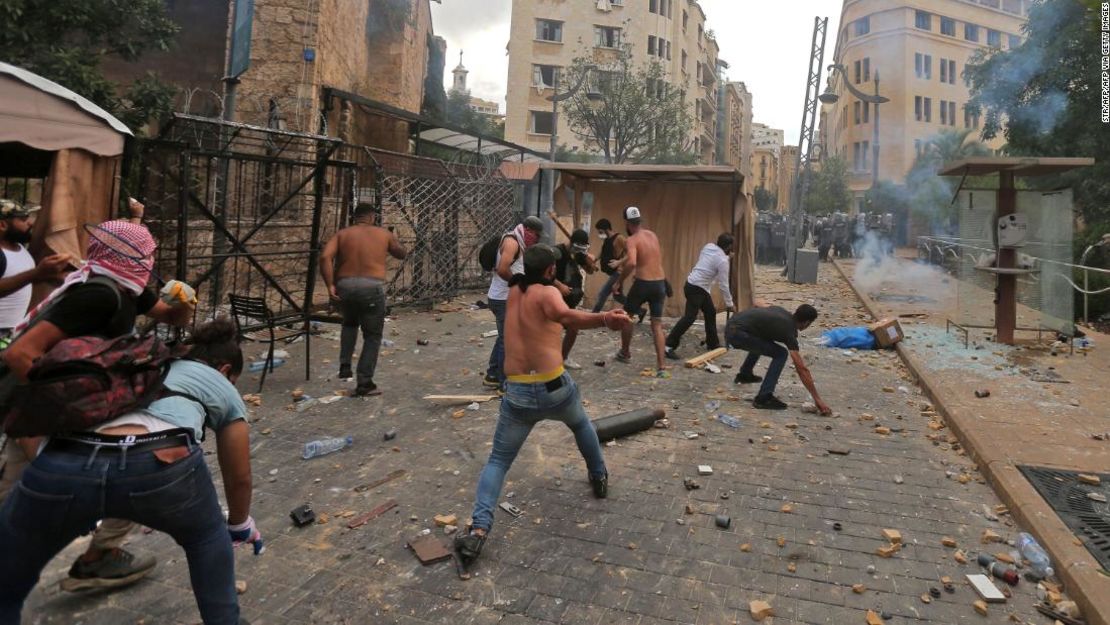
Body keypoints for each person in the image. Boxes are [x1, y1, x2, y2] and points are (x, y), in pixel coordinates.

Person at [0, 319, 258, 625]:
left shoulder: (143, 364)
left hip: (66, 461)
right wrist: (240, 523)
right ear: (226, 370)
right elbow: (239, 476)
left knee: (6, 583)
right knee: (207, 537)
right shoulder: (218, 384)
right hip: (160, 462)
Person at [0, 219, 192, 593]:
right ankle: (95, 557)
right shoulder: (97, 293)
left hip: (79, 402)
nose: (151, 260)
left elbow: (169, 317)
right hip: (48, 406)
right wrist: (49, 424)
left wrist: (185, 300)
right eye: (146, 254)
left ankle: (98, 556)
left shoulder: (127, 287)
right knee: (135, 471)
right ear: (128, 256)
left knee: (26, 491)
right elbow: (20, 354)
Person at [453, 246, 631, 569]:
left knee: (498, 460)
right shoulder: (547, 294)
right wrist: (606, 318)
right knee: (581, 425)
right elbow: (568, 317)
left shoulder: (514, 293)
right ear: (550, 271)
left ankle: (478, 530)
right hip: (554, 388)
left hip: (517, 392)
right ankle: (599, 476)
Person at [320, 203, 407, 396]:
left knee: (349, 324)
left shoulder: (342, 234)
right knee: (372, 336)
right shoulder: (383, 233)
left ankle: (345, 365)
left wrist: (329, 285)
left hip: (345, 287)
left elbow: (325, 257)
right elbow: (401, 253)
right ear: (372, 217)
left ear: (354, 217)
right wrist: (394, 239)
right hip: (370, 288)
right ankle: (364, 382)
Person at [726, 303, 831, 414]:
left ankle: (745, 375)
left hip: (732, 325)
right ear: (807, 322)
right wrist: (817, 399)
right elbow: (801, 369)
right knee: (781, 354)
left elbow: (758, 305)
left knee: (763, 337)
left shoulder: (782, 312)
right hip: (737, 334)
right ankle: (764, 398)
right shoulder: (789, 331)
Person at [482, 216, 545, 389]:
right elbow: (503, 269)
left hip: (503, 298)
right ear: (528, 230)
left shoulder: (518, 241)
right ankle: (505, 383)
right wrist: (519, 282)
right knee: (508, 341)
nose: (536, 239)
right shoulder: (513, 242)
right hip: (502, 299)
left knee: (503, 338)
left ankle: (492, 375)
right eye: (536, 235)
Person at [0, 200, 70, 341]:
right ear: (2, 225)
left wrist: (61, 276)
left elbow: (20, 279)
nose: (30, 223)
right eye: (23, 219)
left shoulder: (20, 248)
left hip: (12, 331)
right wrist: (37, 273)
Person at [613, 207, 668, 374]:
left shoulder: (632, 240)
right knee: (656, 324)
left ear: (627, 223)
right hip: (659, 283)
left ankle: (625, 352)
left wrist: (619, 281)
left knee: (627, 317)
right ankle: (661, 367)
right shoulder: (652, 235)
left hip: (643, 283)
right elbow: (654, 258)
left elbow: (631, 263)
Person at [664, 233, 735, 360]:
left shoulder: (708, 247)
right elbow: (723, 284)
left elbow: (712, 262)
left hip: (693, 284)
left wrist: (726, 257)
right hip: (697, 289)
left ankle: (712, 343)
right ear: (729, 246)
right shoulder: (723, 261)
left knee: (710, 312)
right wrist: (730, 303)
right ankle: (668, 345)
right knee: (689, 317)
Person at [553, 229, 597, 368]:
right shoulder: (557, 252)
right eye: (576, 248)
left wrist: (590, 262)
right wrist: (560, 285)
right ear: (571, 243)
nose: (577, 251)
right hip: (555, 297)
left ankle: (563, 357)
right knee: (553, 330)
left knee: (573, 328)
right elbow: (545, 274)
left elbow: (590, 271)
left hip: (570, 299)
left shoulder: (578, 254)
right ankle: (548, 360)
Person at [591, 219, 627, 312]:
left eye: (600, 231)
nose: (599, 234)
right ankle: (640, 310)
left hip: (618, 272)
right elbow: (602, 251)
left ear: (606, 229)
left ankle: (594, 314)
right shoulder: (606, 239)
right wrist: (594, 260)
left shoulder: (619, 238)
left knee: (603, 293)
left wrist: (619, 262)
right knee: (618, 296)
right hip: (612, 272)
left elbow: (631, 253)